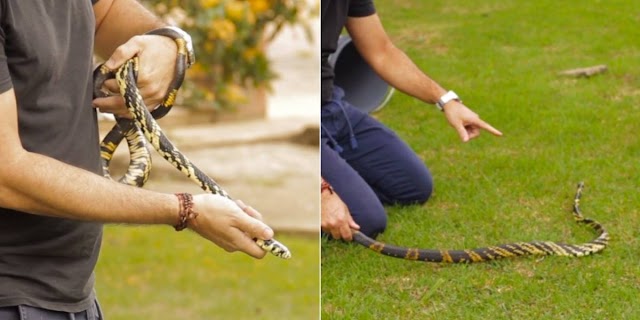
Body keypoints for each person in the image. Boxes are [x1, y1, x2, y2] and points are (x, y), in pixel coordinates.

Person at [0, 0, 275, 318]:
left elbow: (106, 12)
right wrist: (185, 210)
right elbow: (7, 175)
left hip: (72, 293)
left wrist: (169, 43)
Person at [320, 0, 503, 241]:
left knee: (412, 186)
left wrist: (447, 101)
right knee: (366, 220)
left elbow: (382, 52)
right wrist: (321, 191)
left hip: (329, 108)